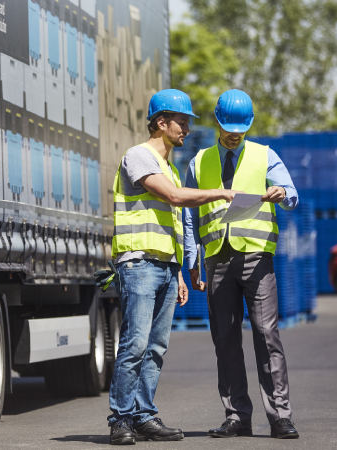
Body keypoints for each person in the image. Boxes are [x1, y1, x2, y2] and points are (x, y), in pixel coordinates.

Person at [107, 89, 237, 445]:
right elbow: (175, 199)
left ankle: (143, 415)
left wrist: (179, 272)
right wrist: (221, 193)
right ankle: (120, 418)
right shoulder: (139, 156)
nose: (186, 128)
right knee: (134, 344)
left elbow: (173, 225)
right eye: (181, 122)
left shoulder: (169, 167)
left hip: (163, 268)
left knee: (156, 348)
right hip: (138, 266)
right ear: (161, 123)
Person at [183, 89, 300, 439]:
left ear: (248, 125)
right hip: (217, 258)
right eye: (228, 127)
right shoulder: (198, 162)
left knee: (267, 335)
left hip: (256, 257)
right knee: (225, 339)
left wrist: (282, 193)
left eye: (241, 128)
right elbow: (189, 215)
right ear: (217, 122)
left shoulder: (266, 156)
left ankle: (280, 416)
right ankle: (237, 415)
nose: (234, 134)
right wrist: (192, 258)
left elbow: (291, 194)